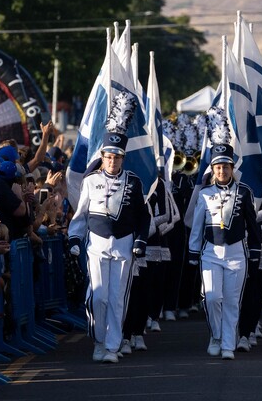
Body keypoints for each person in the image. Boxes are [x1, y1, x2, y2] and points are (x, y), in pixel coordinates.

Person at [68, 131, 151, 364]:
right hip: (96, 244)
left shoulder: (134, 182)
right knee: (98, 296)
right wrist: (74, 239)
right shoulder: (90, 181)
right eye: (109, 157)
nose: (113, 161)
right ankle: (98, 341)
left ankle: (113, 346)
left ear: (123, 158)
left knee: (117, 298)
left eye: (117, 157)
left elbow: (144, 217)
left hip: (124, 245)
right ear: (102, 157)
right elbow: (81, 215)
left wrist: (140, 240)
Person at [188, 143, 261, 360]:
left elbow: (253, 224)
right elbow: (197, 225)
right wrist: (193, 251)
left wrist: (255, 248)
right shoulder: (204, 193)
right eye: (218, 167)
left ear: (232, 168)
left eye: (226, 167)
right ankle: (216, 336)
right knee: (211, 298)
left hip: (237, 253)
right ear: (213, 169)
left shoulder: (244, 192)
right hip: (210, 252)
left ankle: (228, 343)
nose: (222, 171)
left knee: (231, 300)